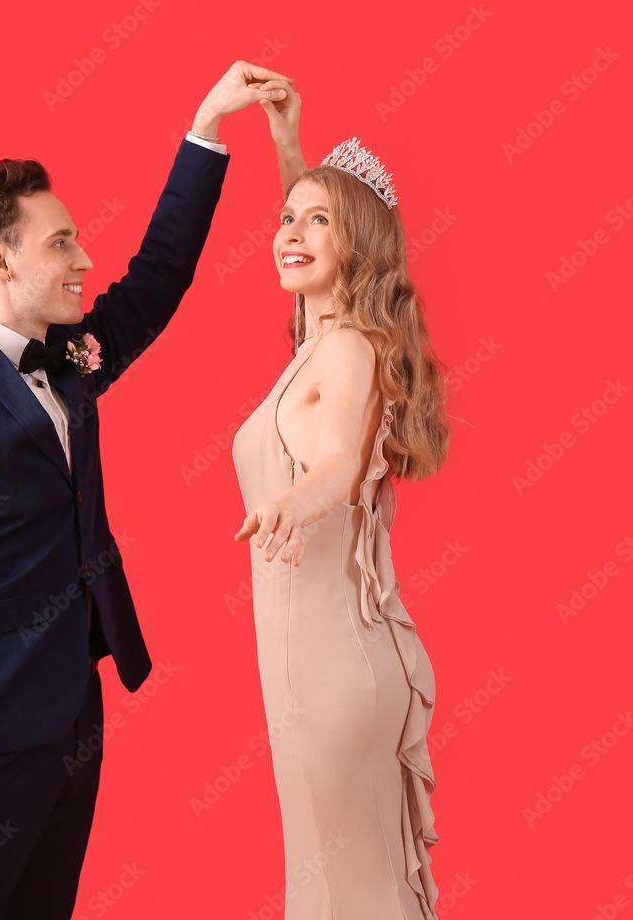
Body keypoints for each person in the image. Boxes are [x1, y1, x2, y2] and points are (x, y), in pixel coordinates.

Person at [0, 60, 293, 920]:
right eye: (62, 243)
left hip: (75, 723)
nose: (85, 258)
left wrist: (205, 131)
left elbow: (156, 283)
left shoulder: (73, 358)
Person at [232, 81, 451, 919]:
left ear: (355, 242)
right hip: (307, 666)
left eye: (317, 219)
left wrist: (298, 501)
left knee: (347, 899)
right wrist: (290, 142)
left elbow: (335, 460)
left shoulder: (348, 350)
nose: (290, 231)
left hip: (333, 671)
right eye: (286, 216)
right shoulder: (316, 340)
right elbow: (311, 249)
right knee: (328, 890)